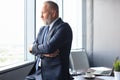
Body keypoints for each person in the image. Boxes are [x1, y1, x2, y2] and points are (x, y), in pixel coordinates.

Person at [28, 1, 73, 80]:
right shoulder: (42, 29)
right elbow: (33, 50)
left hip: (55, 75)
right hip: (37, 73)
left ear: (53, 13)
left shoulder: (64, 28)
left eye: (43, 13)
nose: (40, 16)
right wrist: (43, 54)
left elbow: (49, 48)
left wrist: (34, 48)